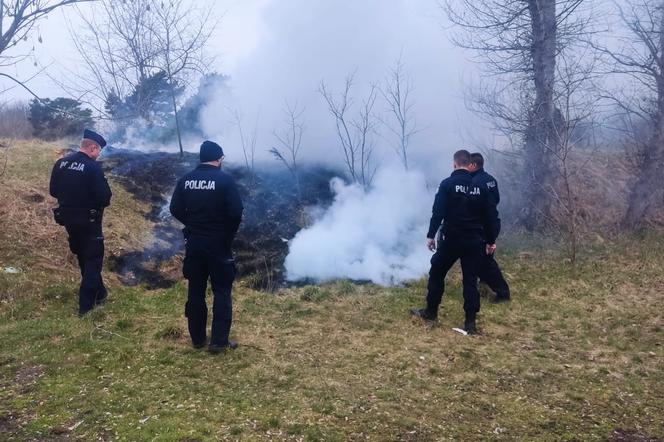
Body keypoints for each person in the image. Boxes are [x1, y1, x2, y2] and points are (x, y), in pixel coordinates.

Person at [410, 149, 499, 334]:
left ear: (455, 163)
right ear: (469, 164)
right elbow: (490, 216)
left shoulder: (447, 185)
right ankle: (470, 323)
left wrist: (430, 235)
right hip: (475, 241)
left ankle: (431, 312)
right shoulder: (481, 188)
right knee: (470, 280)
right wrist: (490, 241)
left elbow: (438, 212)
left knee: (437, 271)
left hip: (451, 240)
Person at [170, 141, 243, 354]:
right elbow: (236, 212)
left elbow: (175, 208)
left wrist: (192, 224)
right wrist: (227, 232)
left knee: (195, 290)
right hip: (219, 244)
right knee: (221, 290)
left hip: (194, 243)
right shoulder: (225, 180)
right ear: (219, 159)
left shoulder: (186, 180)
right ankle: (219, 342)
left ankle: (198, 339)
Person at [49, 129, 112, 316]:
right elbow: (105, 197)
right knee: (93, 259)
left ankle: (100, 293)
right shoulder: (92, 168)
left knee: (84, 256)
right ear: (92, 147)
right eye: (98, 150)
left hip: (68, 220)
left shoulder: (61, 163)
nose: (98, 153)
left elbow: (53, 191)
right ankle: (86, 307)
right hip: (89, 221)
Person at [469, 152, 510, 303]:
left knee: (485, 262)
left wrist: (490, 238)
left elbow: (483, 209)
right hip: (492, 223)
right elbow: (496, 201)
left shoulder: (475, 183)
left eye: (467, 164)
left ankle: (503, 293)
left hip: (484, 226)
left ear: (473, 165)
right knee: (485, 259)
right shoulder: (490, 180)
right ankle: (484, 284)